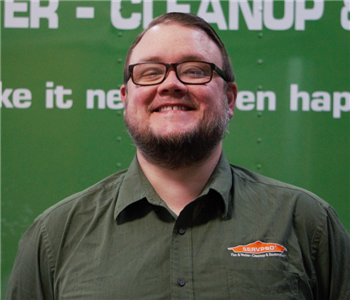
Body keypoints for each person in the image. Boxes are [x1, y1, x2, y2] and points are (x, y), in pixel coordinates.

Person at [6, 12, 350, 300]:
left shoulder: (307, 222)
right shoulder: (55, 236)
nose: (170, 84)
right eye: (150, 72)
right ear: (126, 98)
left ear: (229, 98)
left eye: (195, 70)